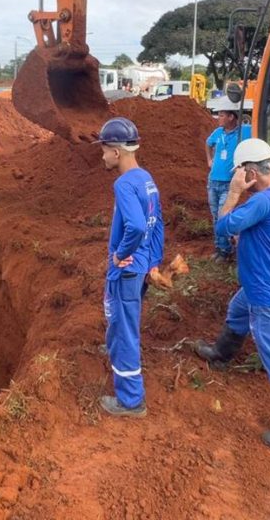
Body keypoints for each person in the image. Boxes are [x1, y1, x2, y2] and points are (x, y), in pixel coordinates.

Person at [194, 138, 270, 450]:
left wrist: (234, 193)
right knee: (237, 310)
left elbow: (222, 227)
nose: (239, 176)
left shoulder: (261, 201)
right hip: (268, 281)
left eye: (240, 171)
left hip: (265, 288)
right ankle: (221, 355)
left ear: (250, 171)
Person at [96, 116, 164, 417]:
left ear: (116, 151)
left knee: (125, 329)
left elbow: (136, 225)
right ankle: (114, 352)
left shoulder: (123, 183)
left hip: (126, 268)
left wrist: (120, 253)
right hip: (141, 265)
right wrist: (154, 262)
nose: (102, 155)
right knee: (120, 323)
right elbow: (157, 223)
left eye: (104, 149)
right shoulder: (146, 179)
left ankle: (130, 401)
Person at [204, 98, 252, 259]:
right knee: (216, 216)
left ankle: (225, 251)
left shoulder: (244, 132)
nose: (218, 118)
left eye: (221, 115)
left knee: (223, 215)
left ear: (231, 117)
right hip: (213, 182)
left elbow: (259, 133)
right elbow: (208, 143)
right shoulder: (217, 133)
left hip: (229, 184)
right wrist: (209, 160)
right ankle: (220, 248)